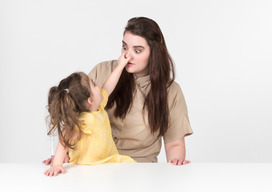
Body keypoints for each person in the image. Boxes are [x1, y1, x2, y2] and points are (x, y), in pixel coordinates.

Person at [43, 16, 193, 166]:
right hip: (94, 166)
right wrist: (62, 157)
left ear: (154, 53)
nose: (127, 55)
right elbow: (72, 114)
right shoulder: (102, 71)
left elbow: (174, 144)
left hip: (139, 168)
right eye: (125, 47)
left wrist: (175, 168)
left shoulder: (171, 91)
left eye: (137, 50)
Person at [44, 54, 136, 177]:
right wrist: (57, 164)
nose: (98, 84)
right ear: (90, 101)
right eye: (94, 84)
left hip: (107, 165)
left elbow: (108, 86)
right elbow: (63, 141)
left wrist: (120, 66)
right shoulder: (84, 121)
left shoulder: (98, 108)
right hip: (88, 169)